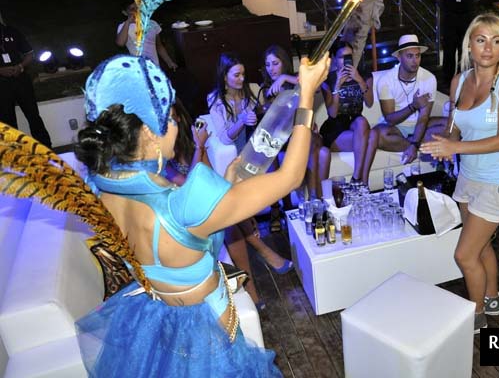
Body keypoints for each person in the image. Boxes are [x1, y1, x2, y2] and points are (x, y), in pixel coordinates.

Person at [73, 52, 329, 376]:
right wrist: (306, 95)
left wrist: (228, 184)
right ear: (148, 132)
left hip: (155, 325)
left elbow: (184, 227)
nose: (176, 125)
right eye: (169, 119)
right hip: (208, 339)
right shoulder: (186, 203)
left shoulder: (102, 190)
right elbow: (290, 177)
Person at [420, 14, 499, 333]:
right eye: (481, 40)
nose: (488, 48)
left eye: (496, 41)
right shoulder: (459, 81)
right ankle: (492, 298)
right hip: (468, 178)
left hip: (497, 182)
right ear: (469, 45)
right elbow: (455, 126)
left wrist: (455, 147)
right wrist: (443, 141)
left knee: (465, 255)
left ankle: (476, 318)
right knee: (481, 245)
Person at [166, 100, 292, 310]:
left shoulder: (189, 142)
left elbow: (210, 177)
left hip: (206, 203)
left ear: (179, 116)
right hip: (184, 212)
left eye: (171, 118)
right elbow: (189, 185)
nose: (167, 124)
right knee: (228, 223)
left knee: (229, 216)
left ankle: (254, 284)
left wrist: (241, 210)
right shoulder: (162, 154)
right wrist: (199, 147)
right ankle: (262, 258)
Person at [259, 45, 329, 200]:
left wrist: (284, 78)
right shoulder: (266, 88)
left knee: (314, 144)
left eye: (275, 63)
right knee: (314, 144)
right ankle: (312, 198)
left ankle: (313, 197)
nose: (271, 69)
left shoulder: (295, 79)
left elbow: (315, 86)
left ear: (284, 63)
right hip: (283, 137)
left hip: (303, 133)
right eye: (268, 65)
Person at [374, 34, 447, 165]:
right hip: (396, 128)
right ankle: (421, 146)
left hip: (420, 126)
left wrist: (415, 142)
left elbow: (424, 118)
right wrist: (413, 106)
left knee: (451, 125)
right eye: (409, 56)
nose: (415, 61)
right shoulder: (385, 80)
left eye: (417, 56)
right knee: (377, 135)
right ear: (399, 57)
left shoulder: (429, 78)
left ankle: (414, 144)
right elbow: (390, 119)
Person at [319, 40, 378, 185]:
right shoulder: (328, 80)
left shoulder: (364, 75)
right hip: (335, 128)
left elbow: (369, 103)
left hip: (356, 124)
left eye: (349, 56)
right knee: (372, 137)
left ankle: (357, 178)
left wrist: (359, 80)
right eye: (341, 57)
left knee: (362, 122)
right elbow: (332, 113)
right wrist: (337, 86)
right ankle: (362, 183)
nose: (346, 61)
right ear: (334, 59)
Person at [0, 14, 52, 148]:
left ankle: (46, 148)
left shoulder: (11, 31)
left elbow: (29, 54)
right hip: (2, 85)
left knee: (33, 115)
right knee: (7, 121)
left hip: (21, 79)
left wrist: (21, 66)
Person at [436, 0, 480, 86]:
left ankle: (462, 78)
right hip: (451, 20)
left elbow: (476, 0)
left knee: (464, 51)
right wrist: (450, 10)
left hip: (466, 20)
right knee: (449, 51)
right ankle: (447, 80)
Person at [207, 52, 258, 155]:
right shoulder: (215, 100)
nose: (242, 79)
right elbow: (224, 139)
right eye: (237, 75)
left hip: (258, 148)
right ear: (225, 77)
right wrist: (242, 121)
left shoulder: (254, 89)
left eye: (243, 74)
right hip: (236, 154)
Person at [115, 2, 178, 70]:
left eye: (138, 8)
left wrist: (169, 62)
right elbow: (120, 43)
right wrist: (128, 22)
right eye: (132, 9)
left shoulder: (152, 23)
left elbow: (159, 46)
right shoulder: (123, 26)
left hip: (154, 67)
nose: (136, 11)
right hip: (137, 68)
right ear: (125, 12)